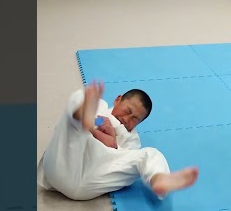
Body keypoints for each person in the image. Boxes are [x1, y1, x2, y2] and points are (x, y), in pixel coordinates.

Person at [37, 81, 198, 201]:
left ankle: (159, 179)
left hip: (92, 182)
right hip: (66, 165)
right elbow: (93, 123)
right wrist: (97, 128)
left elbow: (119, 160)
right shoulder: (102, 112)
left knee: (150, 154)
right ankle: (83, 112)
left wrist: (113, 138)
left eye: (134, 119)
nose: (127, 118)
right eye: (127, 111)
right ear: (118, 100)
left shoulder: (133, 140)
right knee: (80, 102)